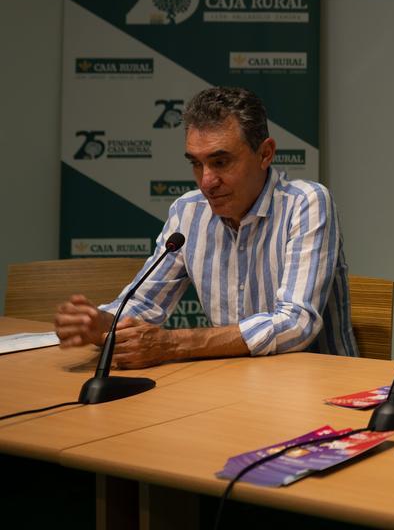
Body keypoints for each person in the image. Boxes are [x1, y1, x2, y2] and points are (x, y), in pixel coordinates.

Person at [54, 87, 357, 366]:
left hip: (317, 388)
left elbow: (296, 324)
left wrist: (174, 344)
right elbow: (143, 304)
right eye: (196, 164)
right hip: (229, 382)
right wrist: (102, 323)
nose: (207, 182)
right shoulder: (188, 212)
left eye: (221, 162)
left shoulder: (305, 202)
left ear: (265, 153)